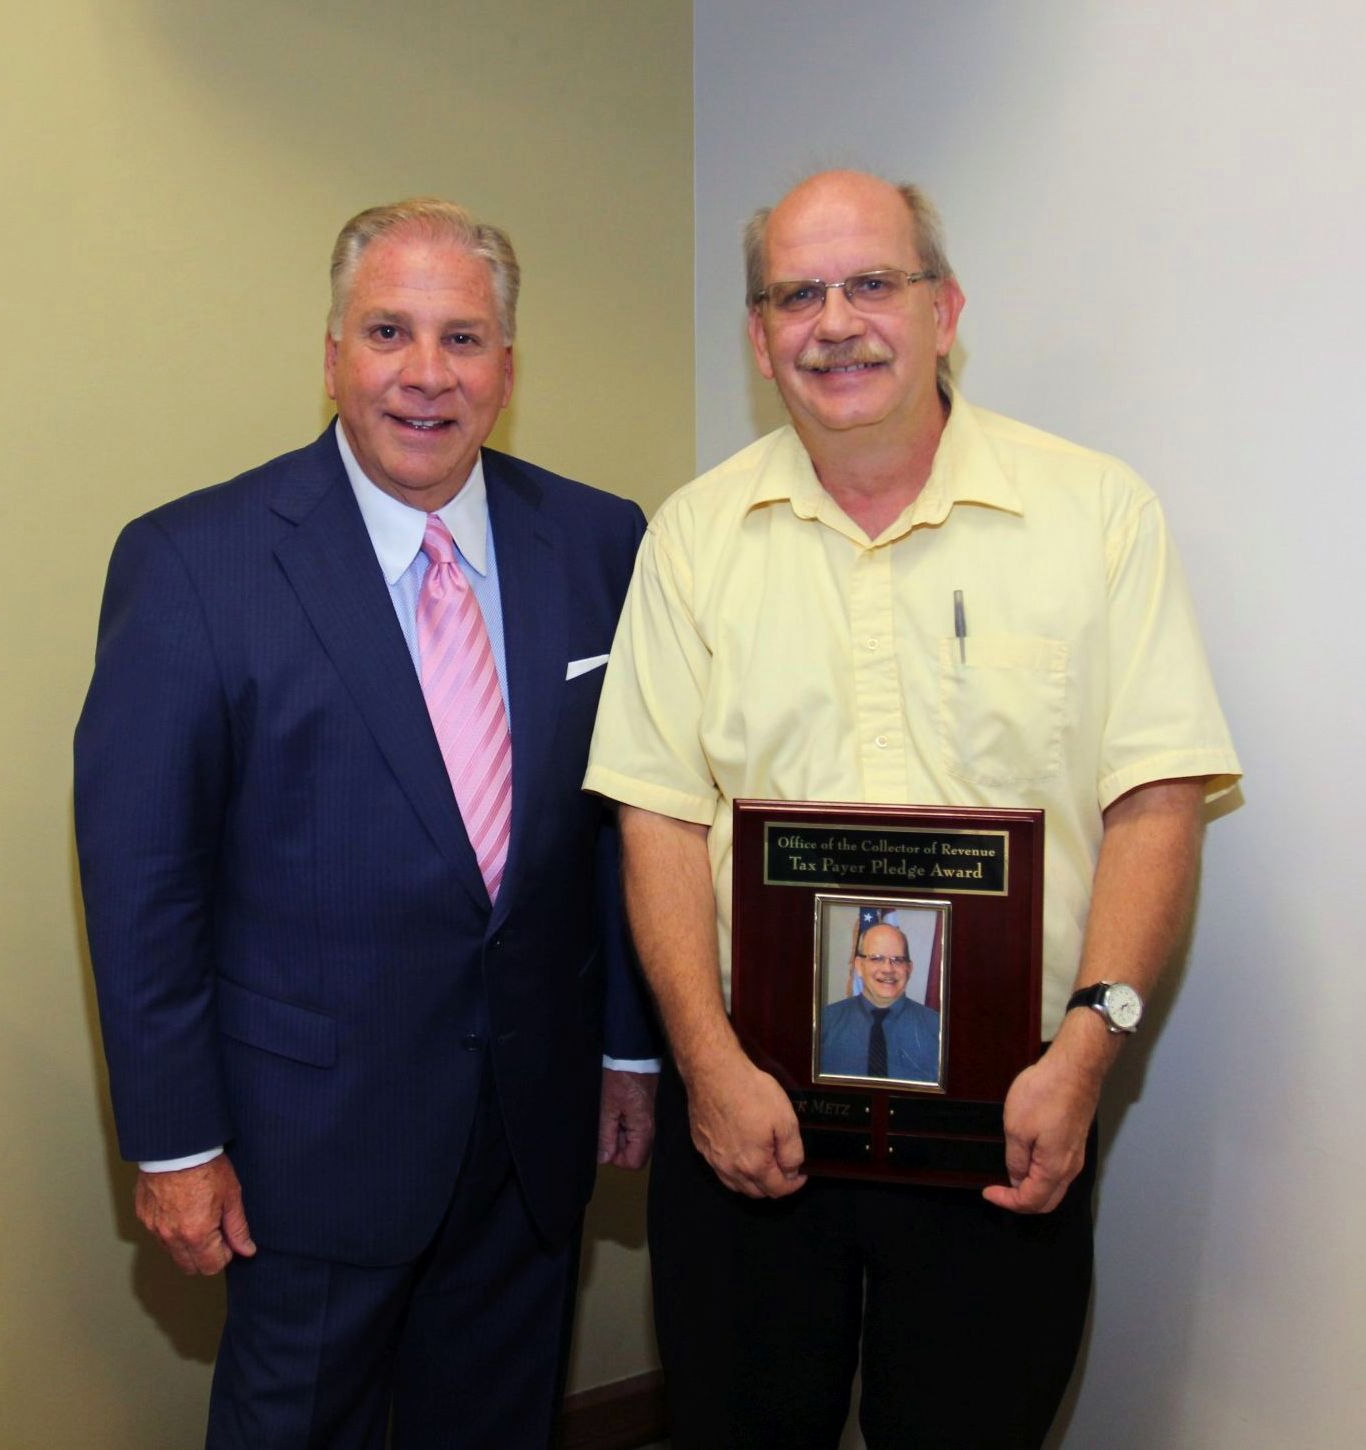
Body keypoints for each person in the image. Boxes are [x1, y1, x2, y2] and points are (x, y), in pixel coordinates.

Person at [584, 169, 1240, 1448]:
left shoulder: (1096, 517)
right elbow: (656, 815)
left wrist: (1090, 1053)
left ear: (944, 309)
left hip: (1013, 1116)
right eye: (796, 294)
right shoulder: (693, 537)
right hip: (750, 1117)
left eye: (872, 283)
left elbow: (1157, 798)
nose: (835, 321)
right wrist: (706, 1067)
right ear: (759, 333)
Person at [75, 197, 658, 1450]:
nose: (426, 374)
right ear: (331, 351)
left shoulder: (604, 542)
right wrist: (176, 1142)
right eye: (389, 330)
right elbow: (142, 883)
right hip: (305, 1153)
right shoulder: (195, 560)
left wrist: (629, 1047)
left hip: (529, 1134)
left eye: (464, 337)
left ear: (507, 364)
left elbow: (621, 821)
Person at [819, 922, 939, 1081]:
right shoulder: (824, 1023)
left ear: (909, 968)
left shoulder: (937, 1028)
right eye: (877, 958)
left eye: (897, 959)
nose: (888, 969)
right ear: (859, 966)